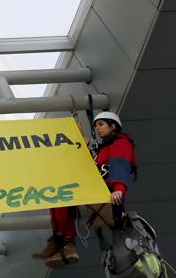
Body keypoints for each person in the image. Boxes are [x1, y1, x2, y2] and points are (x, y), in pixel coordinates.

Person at [32, 112, 135, 267]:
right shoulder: (105, 147)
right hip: (97, 189)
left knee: (61, 196)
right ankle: (66, 243)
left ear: (113, 126)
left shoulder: (120, 143)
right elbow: (94, 160)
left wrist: (119, 188)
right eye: (95, 125)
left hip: (106, 193)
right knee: (60, 198)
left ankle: (62, 241)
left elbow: (120, 165)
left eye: (101, 124)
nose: (97, 128)